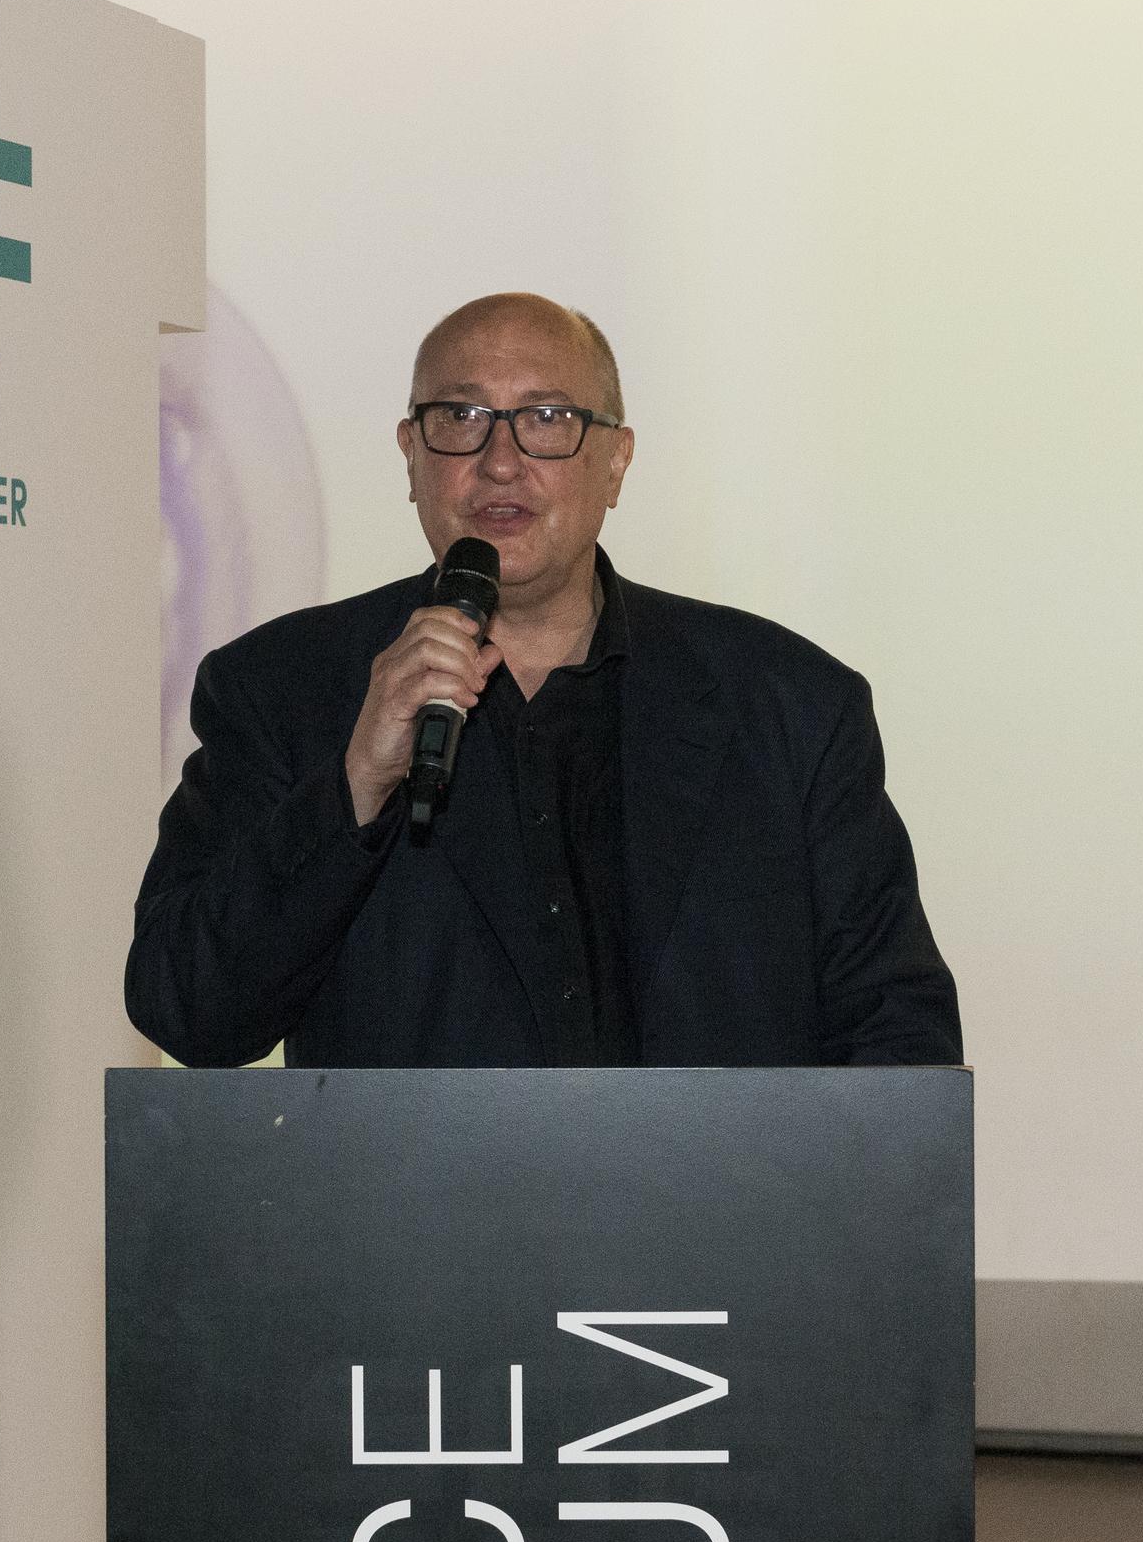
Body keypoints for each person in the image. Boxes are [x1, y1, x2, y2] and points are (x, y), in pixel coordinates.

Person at [126, 292, 961, 1068]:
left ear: (617, 462)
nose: (500, 461)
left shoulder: (790, 707)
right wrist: (356, 784)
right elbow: (187, 1010)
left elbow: (901, 1037)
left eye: (548, 418)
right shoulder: (283, 689)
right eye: (461, 417)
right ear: (411, 456)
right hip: (418, 1190)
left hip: (725, 1187)